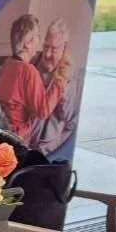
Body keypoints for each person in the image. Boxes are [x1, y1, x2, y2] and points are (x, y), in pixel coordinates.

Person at [0, 14, 71, 142]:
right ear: (28, 43)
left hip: (1, 134)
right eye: (38, 35)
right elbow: (43, 111)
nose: (40, 41)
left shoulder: (7, 64)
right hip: (17, 140)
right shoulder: (29, 71)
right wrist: (59, 79)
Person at [28, 18, 80, 156]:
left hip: (48, 148)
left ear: (64, 47)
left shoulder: (69, 71)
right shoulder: (34, 61)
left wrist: (63, 87)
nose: (48, 54)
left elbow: (69, 117)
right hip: (26, 139)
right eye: (46, 46)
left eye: (54, 49)